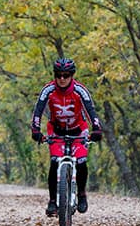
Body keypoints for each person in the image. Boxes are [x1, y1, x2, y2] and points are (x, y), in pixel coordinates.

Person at [30, 56, 102, 216]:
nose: (62, 79)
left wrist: (96, 128)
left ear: (72, 75)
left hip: (78, 129)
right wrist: (35, 130)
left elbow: (91, 111)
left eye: (66, 75)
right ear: (55, 75)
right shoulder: (48, 90)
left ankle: (82, 194)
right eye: (58, 75)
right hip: (56, 130)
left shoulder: (80, 90)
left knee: (82, 162)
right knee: (55, 163)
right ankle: (52, 201)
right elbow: (38, 111)